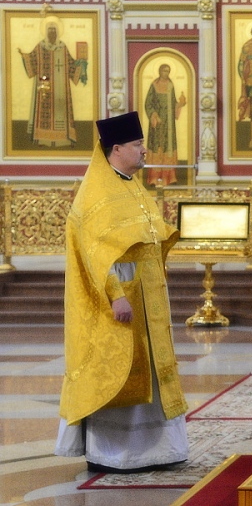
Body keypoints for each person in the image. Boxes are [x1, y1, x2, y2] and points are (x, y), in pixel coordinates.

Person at [54, 111, 187, 473]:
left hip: (147, 292)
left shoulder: (132, 184)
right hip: (120, 295)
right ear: (116, 148)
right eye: (138, 144)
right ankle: (116, 454)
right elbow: (95, 253)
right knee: (119, 370)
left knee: (151, 369)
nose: (144, 150)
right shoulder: (96, 191)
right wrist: (117, 295)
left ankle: (159, 450)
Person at [18, 15, 88, 147]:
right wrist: (24, 56)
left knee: (61, 113)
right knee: (43, 110)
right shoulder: (40, 47)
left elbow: (72, 64)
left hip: (61, 88)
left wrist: (81, 63)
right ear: (46, 32)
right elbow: (32, 60)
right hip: (44, 86)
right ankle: (42, 138)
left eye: (54, 31)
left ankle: (63, 139)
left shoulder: (62, 47)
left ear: (57, 32)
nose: (52, 33)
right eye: (49, 31)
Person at [143, 64, 187, 186]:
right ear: (159, 71)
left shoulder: (170, 85)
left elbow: (173, 103)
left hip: (168, 124)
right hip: (157, 124)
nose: (166, 73)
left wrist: (180, 104)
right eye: (164, 71)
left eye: (168, 71)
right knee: (157, 147)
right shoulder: (154, 85)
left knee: (169, 148)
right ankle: (154, 178)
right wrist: (154, 115)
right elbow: (148, 103)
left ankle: (170, 178)